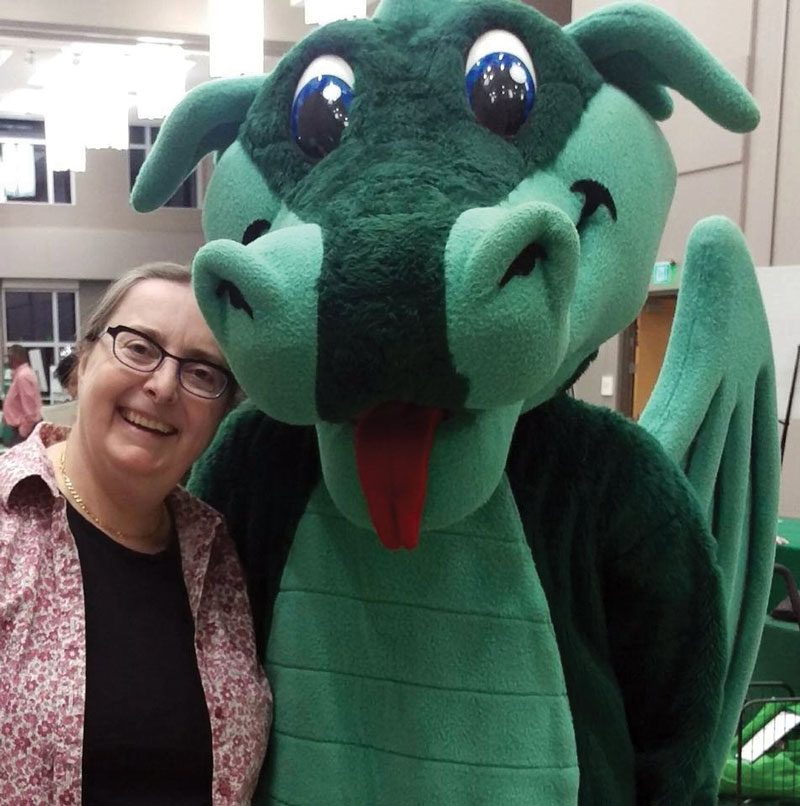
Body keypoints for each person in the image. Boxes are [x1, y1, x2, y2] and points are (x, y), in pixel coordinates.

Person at [0, 262, 271, 805]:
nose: (163, 386)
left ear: (223, 414)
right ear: (82, 363)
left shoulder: (218, 552)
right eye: (139, 347)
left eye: (202, 373)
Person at [1, 343, 42, 446]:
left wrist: (23, 432)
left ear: (17, 358)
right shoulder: (20, 374)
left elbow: (30, 408)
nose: (8, 361)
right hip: (20, 429)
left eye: (10, 357)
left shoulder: (23, 376)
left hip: (24, 430)